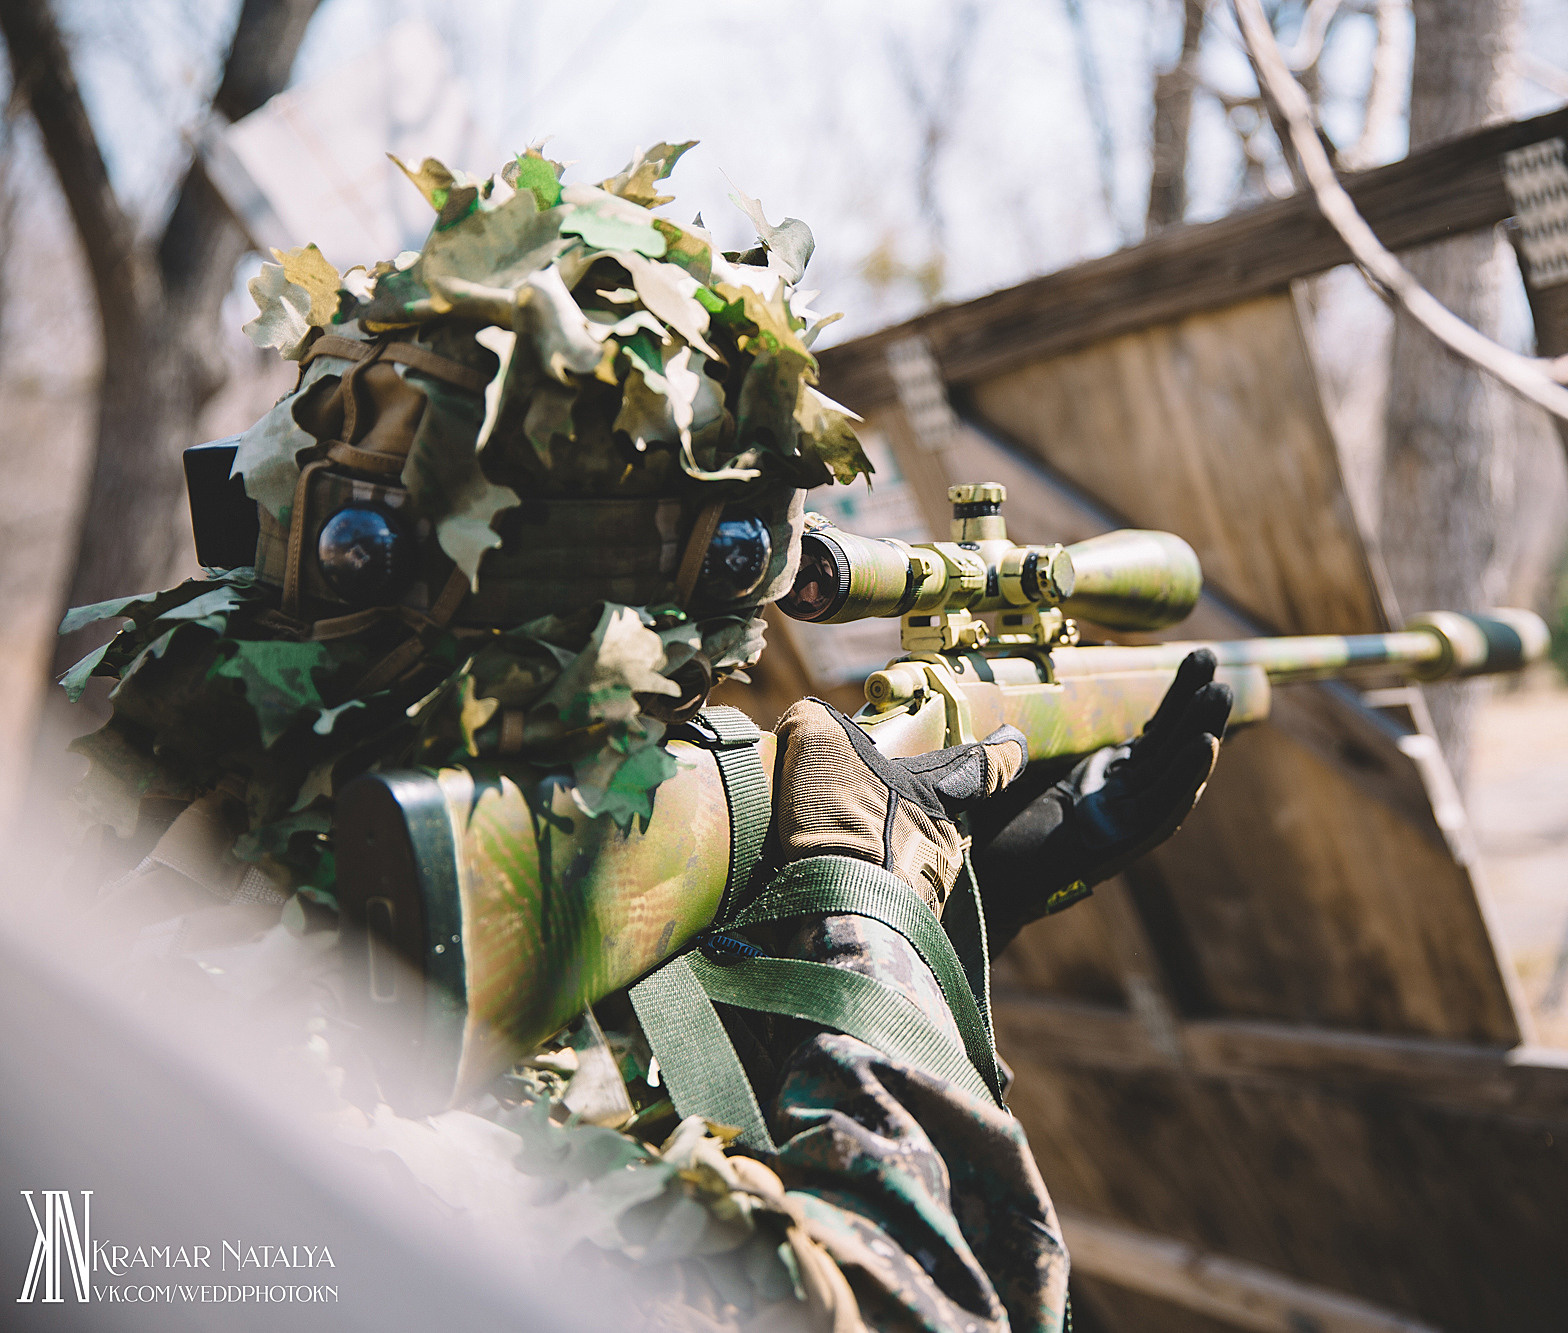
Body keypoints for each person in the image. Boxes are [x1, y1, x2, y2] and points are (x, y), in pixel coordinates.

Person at [58, 140, 1230, 1331]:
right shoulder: (276, 1096)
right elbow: (881, 1296)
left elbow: (639, 1093)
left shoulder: (196, 840)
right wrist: (868, 928)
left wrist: (952, 907)